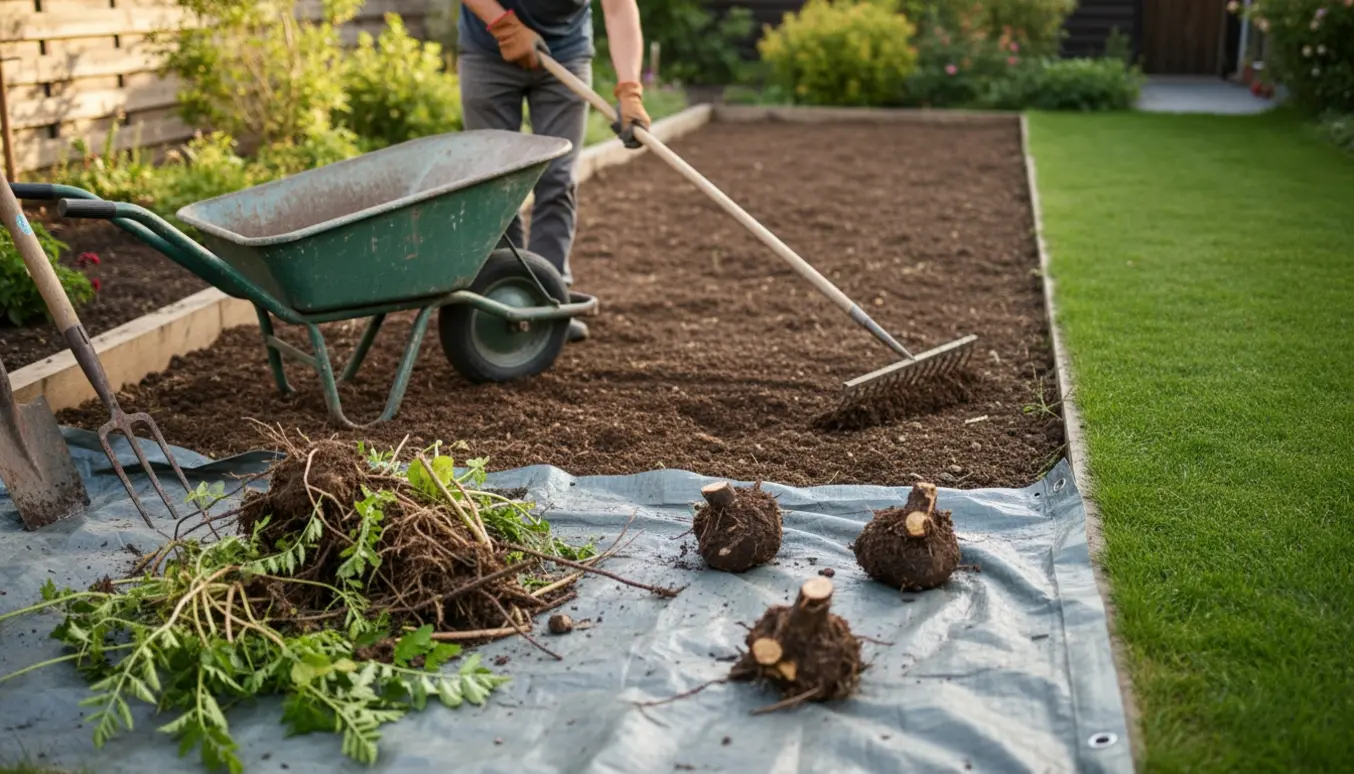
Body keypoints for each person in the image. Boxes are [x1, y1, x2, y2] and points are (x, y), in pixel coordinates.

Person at [457, 0, 651, 343]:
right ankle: (502, 295)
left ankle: (548, 300)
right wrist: (504, 25)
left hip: (565, 53)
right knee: (495, 185)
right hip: (487, 49)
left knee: (558, 180)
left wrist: (630, 90)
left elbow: (619, 9)